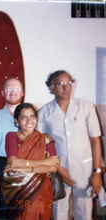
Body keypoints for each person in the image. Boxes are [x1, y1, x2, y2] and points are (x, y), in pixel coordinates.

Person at [37, 70, 103, 220]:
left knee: (84, 213)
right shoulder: (44, 112)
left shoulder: (86, 107)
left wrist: (97, 172)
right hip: (58, 172)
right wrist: (58, 169)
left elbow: (95, 140)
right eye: (60, 84)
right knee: (59, 212)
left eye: (68, 83)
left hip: (84, 170)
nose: (65, 87)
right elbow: (41, 145)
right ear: (51, 88)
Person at [2, 103, 60, 219]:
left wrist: (25, 168)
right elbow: (13, 162)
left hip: (41, 189)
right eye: (24, 117)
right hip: (17, 190)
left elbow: (53, 166)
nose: (29, 121)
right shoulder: (11, 136)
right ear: (17, 121)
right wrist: (44, 162)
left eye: (32, 116)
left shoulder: (45, 138)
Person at [0, 78, 24, 217]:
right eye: (8, 89)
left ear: (22, 92)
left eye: (17, 89)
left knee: (25, 209)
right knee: (4, 209)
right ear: (2, 93)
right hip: (2, 165)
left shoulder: (31, 116)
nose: (13, 93)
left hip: (27, 165)